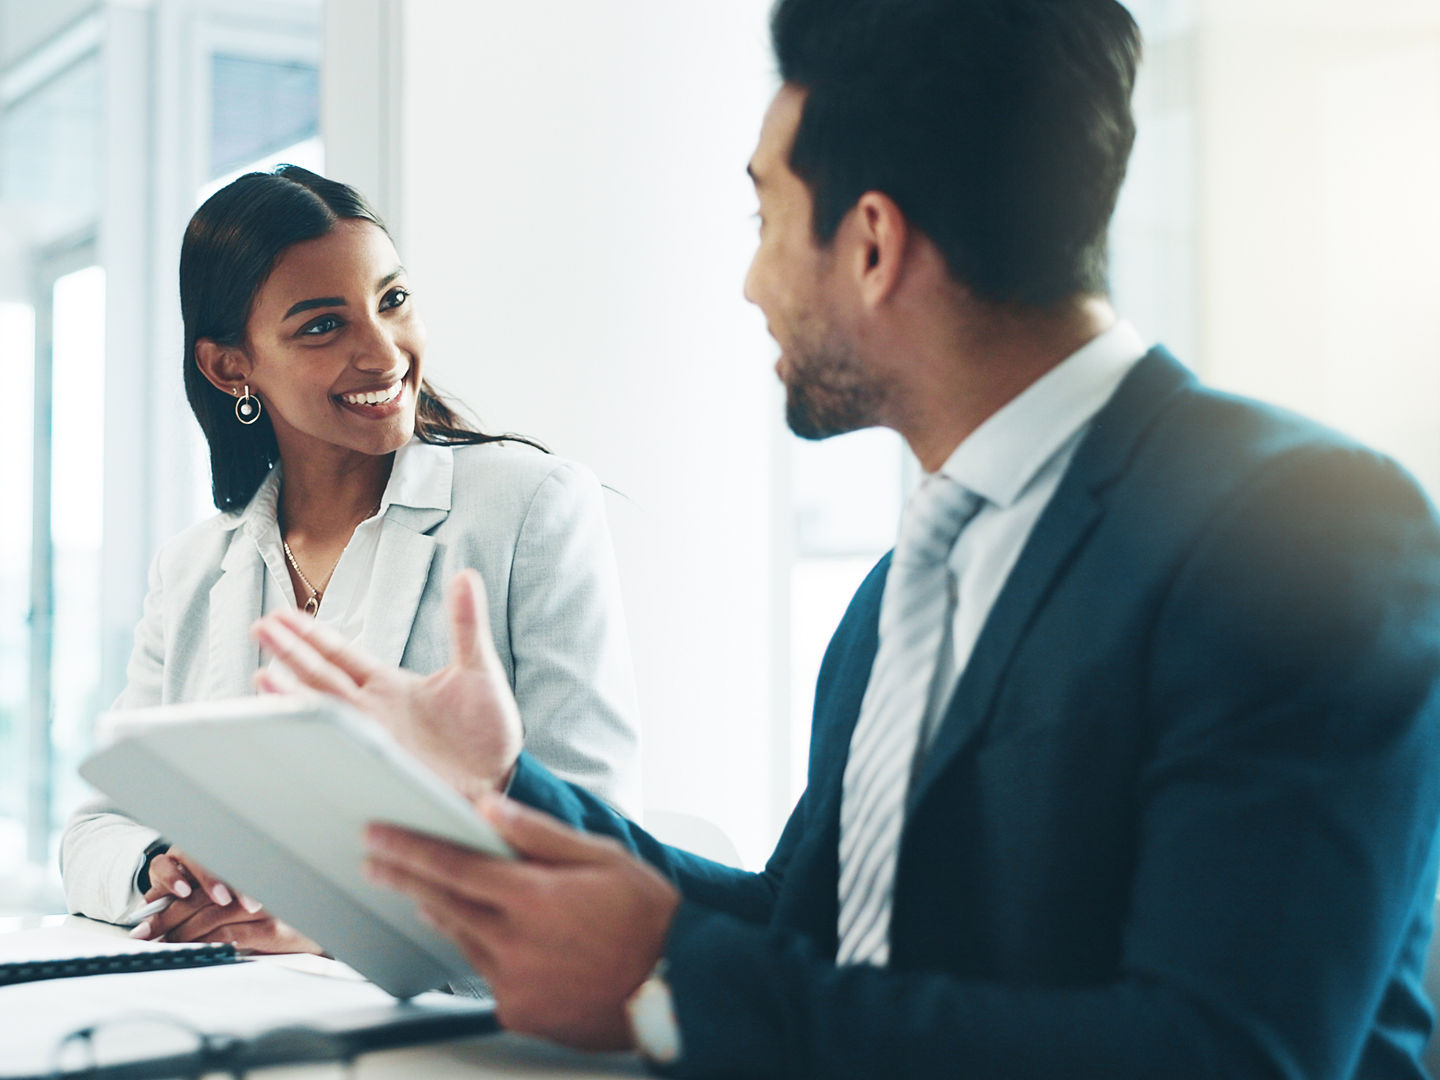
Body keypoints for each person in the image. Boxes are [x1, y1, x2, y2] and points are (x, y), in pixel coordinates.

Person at [254, 0, 1440, 1075]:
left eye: (766, 213)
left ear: (872, 244)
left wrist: (670, 984)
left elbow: (1226, 1055)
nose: (750, 282)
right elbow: (806, 929)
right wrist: (503, 786)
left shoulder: (1304, 532)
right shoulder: (902, 589)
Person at [60, 166, 642, 952]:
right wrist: (162, 866)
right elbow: (97, 827)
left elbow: (592, 845)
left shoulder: (532, 510)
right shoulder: (194, 568)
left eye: (392, 300)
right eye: (322, 326)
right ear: (231, 366)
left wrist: (328, 932)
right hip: (226, 1014)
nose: (383, 352)